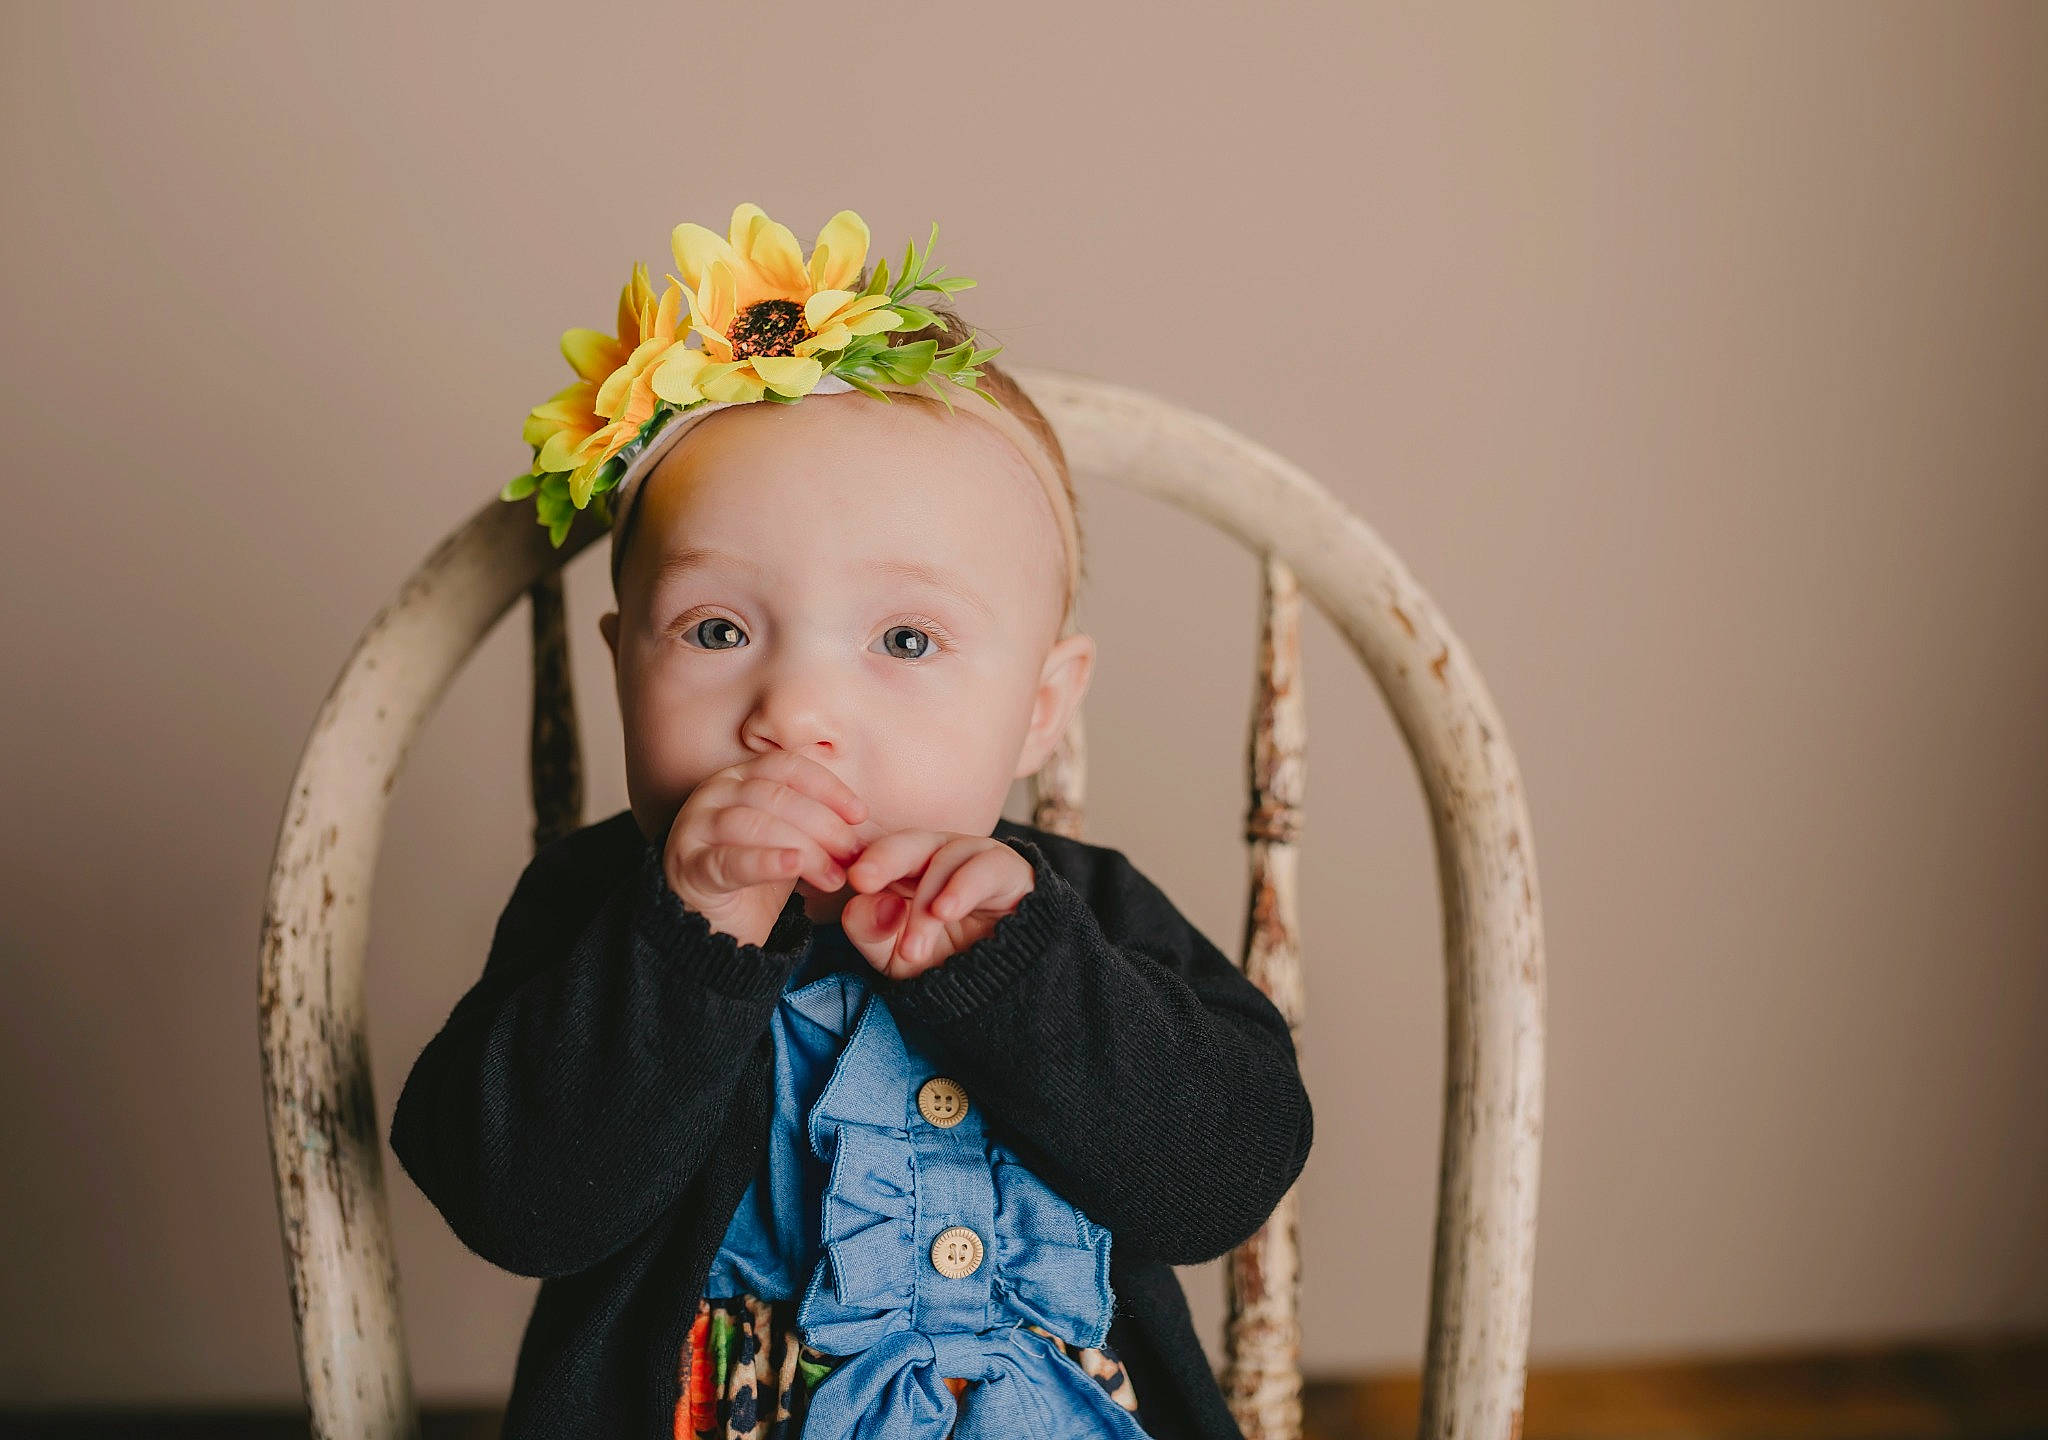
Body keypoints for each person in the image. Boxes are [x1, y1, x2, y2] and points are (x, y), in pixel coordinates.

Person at [389, 203, 1313, 1440]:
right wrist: (690, 934)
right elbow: (516, 1206)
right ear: (622, 670)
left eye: (905, 639)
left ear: (1041, 710)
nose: (796, 712)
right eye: (717, 631)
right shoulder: (600, 911)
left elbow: (1223, 1181)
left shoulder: (1076, 918)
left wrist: (1025, 979)